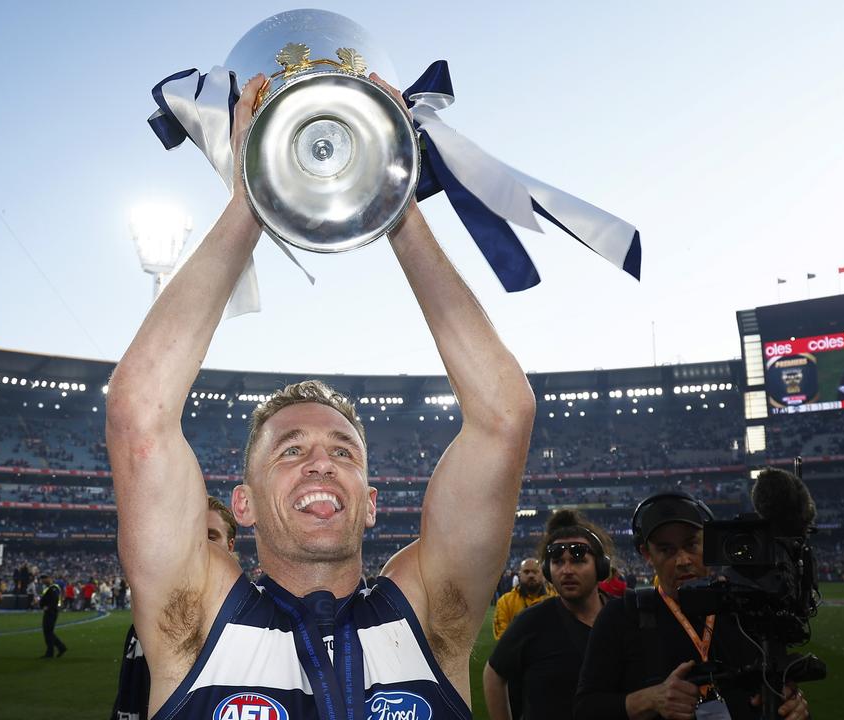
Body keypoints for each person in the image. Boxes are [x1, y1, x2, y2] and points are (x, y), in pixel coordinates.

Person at [106, 72, 534, 720]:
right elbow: (140, 415)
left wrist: (397, 200)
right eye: (289, 451)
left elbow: (504, 416)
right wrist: (252, 196)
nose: (320, 462)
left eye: (343, 450)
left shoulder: (426, 615)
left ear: (370, 503)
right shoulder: (196, 620)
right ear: (241, 505)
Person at [576, 488, 812, 719]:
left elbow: (782, 692)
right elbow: (586, 709)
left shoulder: (749, 612)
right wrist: (650, 700)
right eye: (665, 549)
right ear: (647, 554)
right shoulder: (622, 616)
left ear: (709, 545)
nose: (683, 560)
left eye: (691, 545)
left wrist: (793, 706)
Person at [110, 496, 238, 720]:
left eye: (211, 536)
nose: (199, 545)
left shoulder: (253, 618)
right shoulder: (149, 619)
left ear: (230, 545)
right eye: (191, 536)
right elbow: (128, 701)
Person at [484, 510, 613, 720]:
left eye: (578, 560)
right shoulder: (531, 621)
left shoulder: (623, 615)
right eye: (558, 562)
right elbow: (493, 674)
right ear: (547, 570)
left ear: (600, 566)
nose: (567, 570)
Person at [493, 558, 552, 639]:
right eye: (526, 572)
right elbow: (502, 638)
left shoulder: (555, 598)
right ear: (519, 575)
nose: (531, 575)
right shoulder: (505, 602)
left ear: (542, 574)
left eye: (535, 572)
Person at [39, 573, 68, 659]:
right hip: (51, 611)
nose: (42, 580)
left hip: (51, 612)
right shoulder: (50, 588)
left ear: (49, 578)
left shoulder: (54, 587)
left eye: (44, 578)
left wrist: (48, 607)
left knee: (48, 631)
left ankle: (52, 651)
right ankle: (59, 648)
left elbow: (55, 599)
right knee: (48, 632)